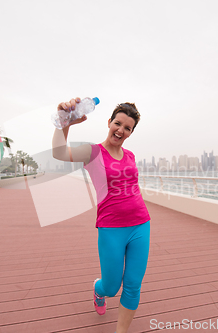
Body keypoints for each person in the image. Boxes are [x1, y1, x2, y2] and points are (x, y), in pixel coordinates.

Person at [52, 97, 151, 333]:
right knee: (111, 285)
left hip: (140, 224)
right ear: (109, 122)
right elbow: (58, 152)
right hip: (111, 228)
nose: (121, 130)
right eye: (118, 123)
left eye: (127, 128)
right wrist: (66, 121)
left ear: (131, 132)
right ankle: (98, 291)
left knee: (133, 286)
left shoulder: (130, 156)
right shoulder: (93, 152)